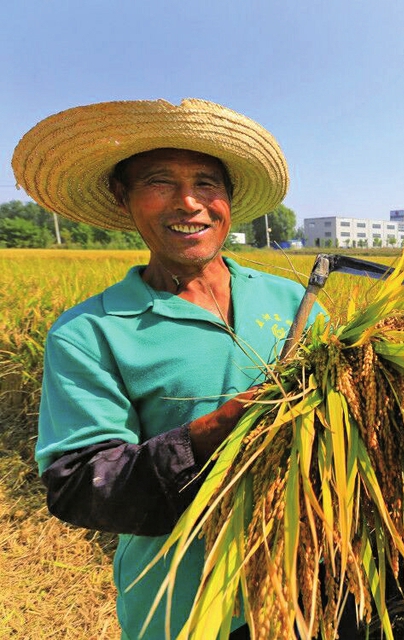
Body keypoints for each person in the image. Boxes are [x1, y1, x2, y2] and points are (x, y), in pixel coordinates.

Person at [11, 99, 324, 639]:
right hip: (181, 604)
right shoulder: (91, 332)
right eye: (160, 182)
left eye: (207, 183)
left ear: (227, 200)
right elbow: (83, 484)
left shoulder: (296, 300)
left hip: (308, 590)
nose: (189, 203)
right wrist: (228, 423)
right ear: (123, 198)